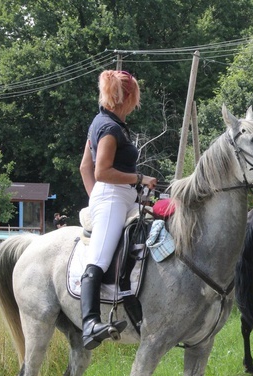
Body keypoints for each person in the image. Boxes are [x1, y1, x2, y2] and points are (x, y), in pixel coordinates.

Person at [78, 69, 157, 350]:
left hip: (116, 196)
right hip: (113, 196)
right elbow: (101, 171)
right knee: (98, 258)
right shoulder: (110, 128)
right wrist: (138, 179)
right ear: (129, 96)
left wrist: (95, 199)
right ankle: (89, 323)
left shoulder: (105, 122)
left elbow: (84, 168)